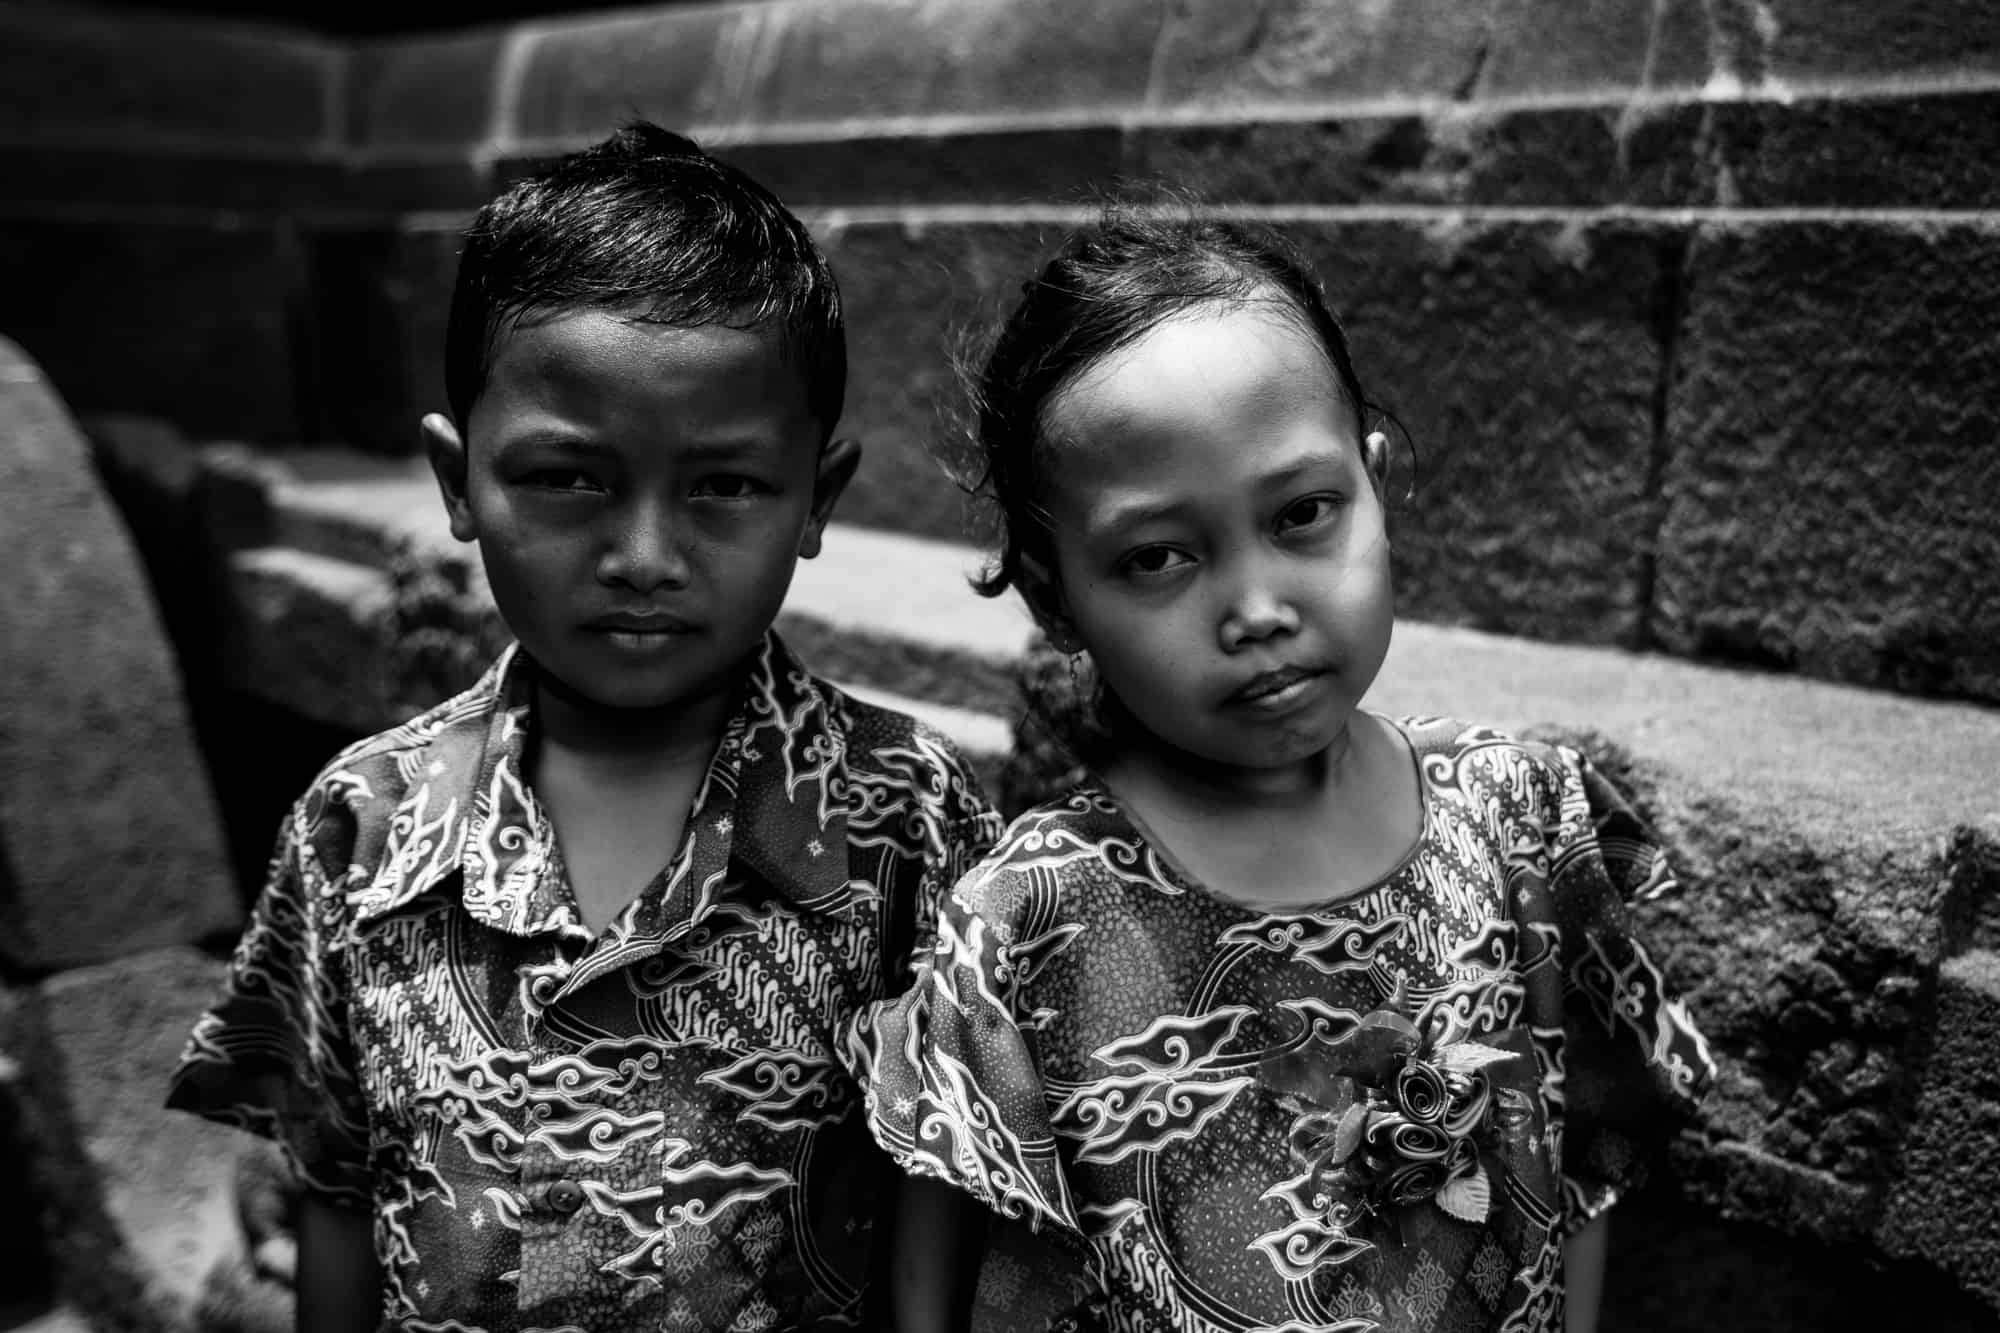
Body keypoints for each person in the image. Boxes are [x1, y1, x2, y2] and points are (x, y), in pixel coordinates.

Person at [166, 122, 1003, 1333]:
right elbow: (332, 1193)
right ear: (459, 484)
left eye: (723, 486)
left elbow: (955, 1191)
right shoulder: (362, 825)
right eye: (567, 478)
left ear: (816, 497)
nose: (645, 557)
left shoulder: (904, 819)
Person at [844, 201, 1716, 1333]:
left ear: (1373, 483)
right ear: (1057, 599)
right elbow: (938, 1281)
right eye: (1157, 556)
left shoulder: (1521, 818)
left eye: (1302, 513)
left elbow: (1586, 1158)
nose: (1256, 608)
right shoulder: (1027, 917)